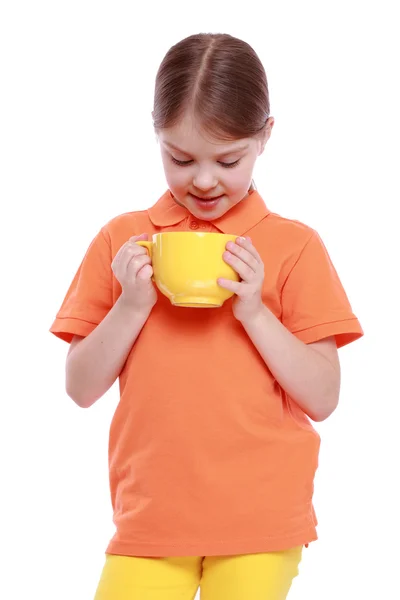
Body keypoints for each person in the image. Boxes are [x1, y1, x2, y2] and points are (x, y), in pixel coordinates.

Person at [50, 32, 363, 600]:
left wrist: (254, 311)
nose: (202, 180)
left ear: (265, 136)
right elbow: (79, 387)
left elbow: (323, 397)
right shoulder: (123, 242)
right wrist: (131, 303)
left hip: (261, 520)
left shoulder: (295, 246)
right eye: (179, 157)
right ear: (155, 133)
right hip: (150, 522)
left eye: (227, 159)